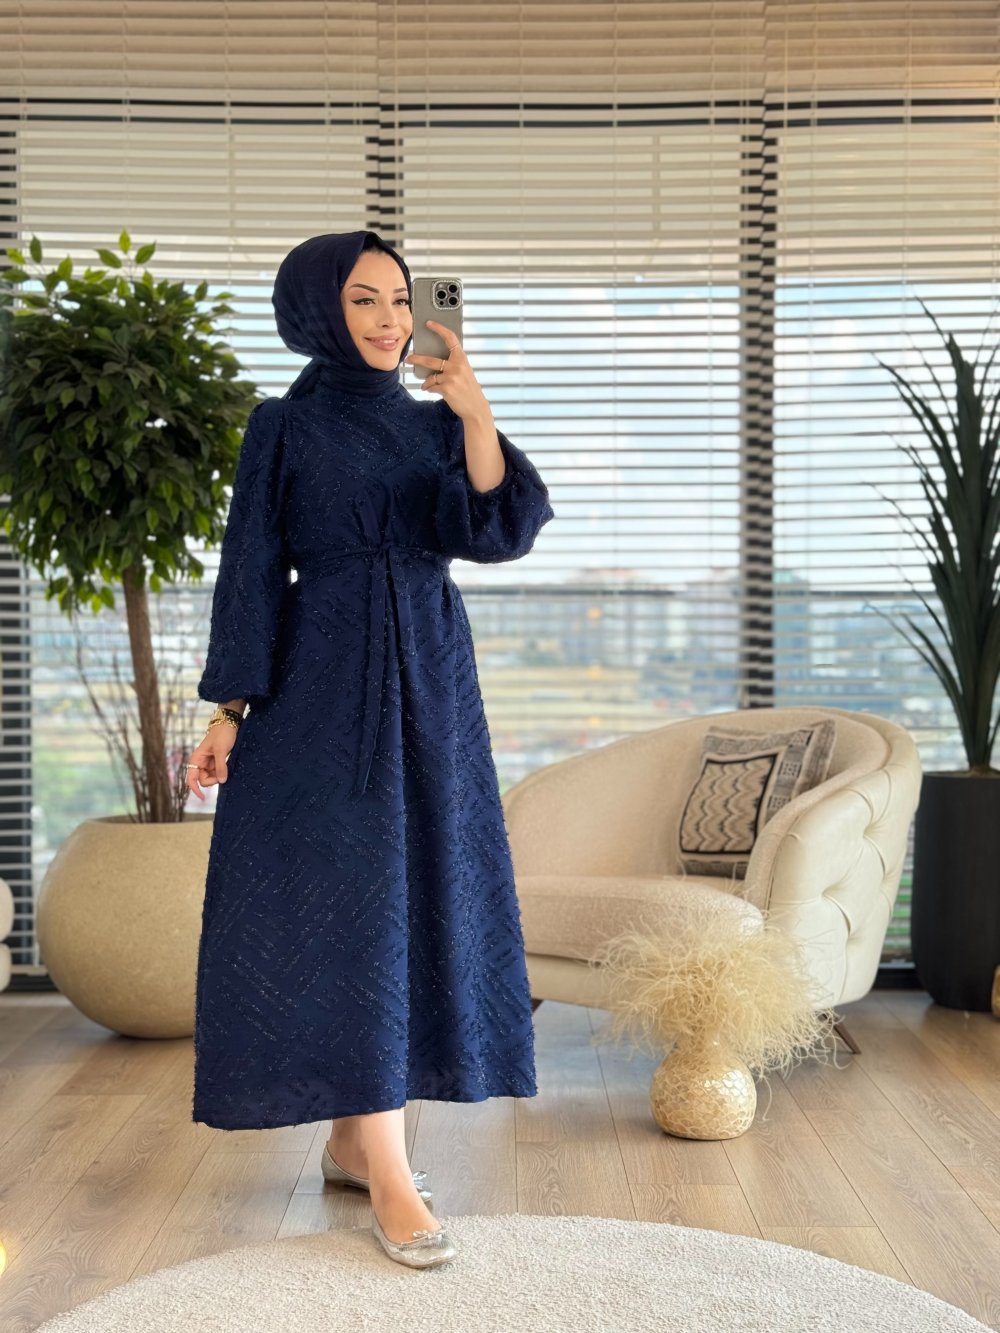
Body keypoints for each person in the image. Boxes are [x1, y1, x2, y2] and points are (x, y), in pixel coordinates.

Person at [184, 229, 555, 1268]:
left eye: (400, 298)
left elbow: (495, 531)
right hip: (320, 686)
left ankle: (360, 1144)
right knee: (345, 904)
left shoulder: (438, 422)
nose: (390, 318)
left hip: (432, 684)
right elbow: (251, 567)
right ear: (317, 310)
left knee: (419, 891)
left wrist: (473, 409)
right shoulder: (284, 427)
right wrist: (227, 709)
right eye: (364, 299)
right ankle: (386, 1165)